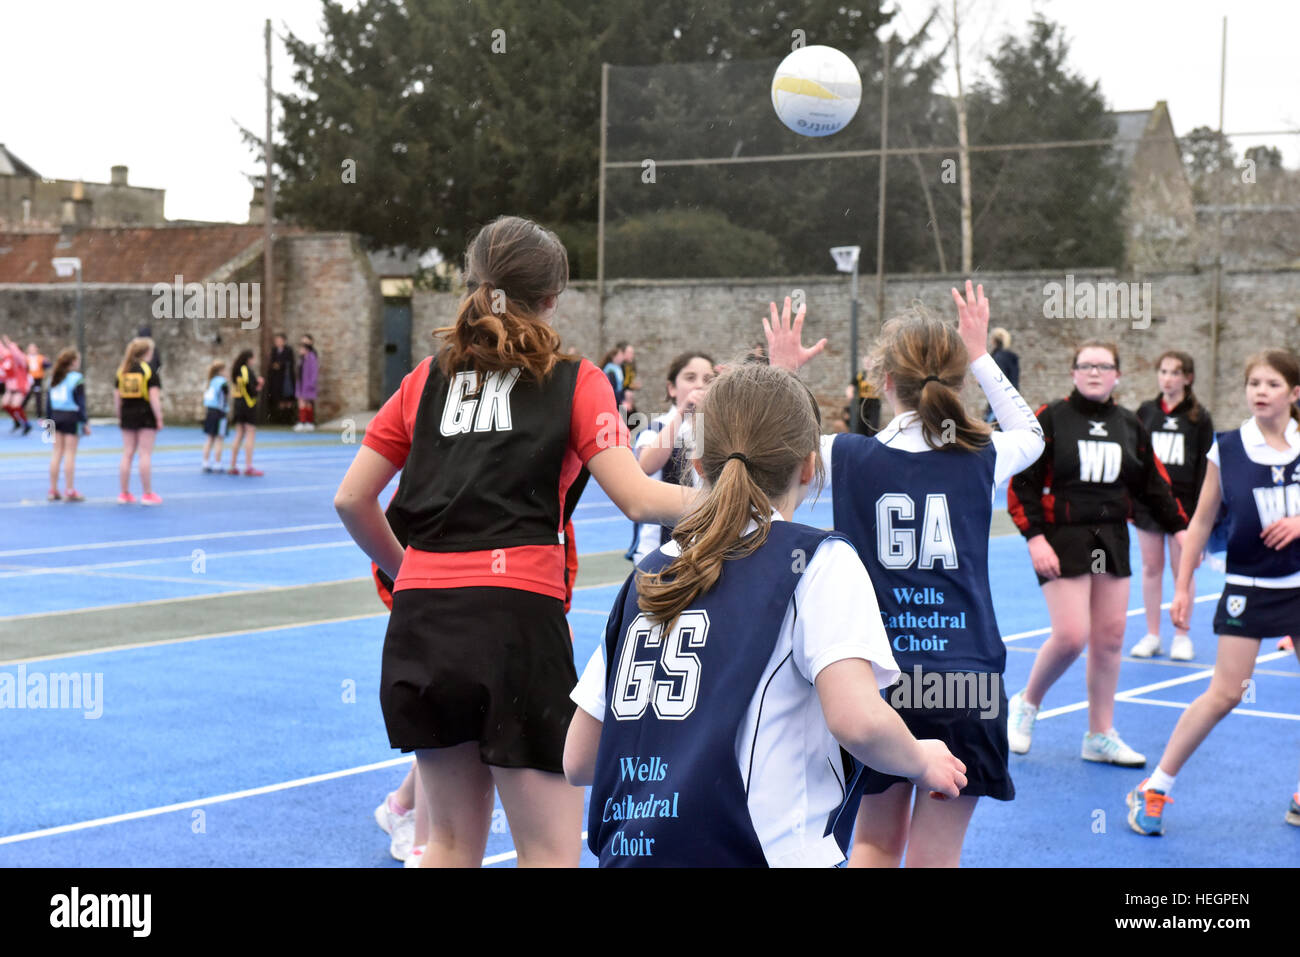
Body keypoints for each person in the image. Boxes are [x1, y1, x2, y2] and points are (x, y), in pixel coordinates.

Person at [333, 215, 694, 868]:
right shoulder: (577, 379)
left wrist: (409, 567)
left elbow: (351, 498)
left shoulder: (425, 379)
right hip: (514, 621)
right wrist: (736, 502)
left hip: (423, 621)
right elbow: (639, 497)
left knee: (445, 843)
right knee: (550, 851)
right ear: (554, 298)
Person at [563, 360, 967, 867]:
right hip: (761, 852)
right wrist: (919, 759)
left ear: (697, 466)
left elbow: (578, 760)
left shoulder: (645, 575)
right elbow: (859, 721)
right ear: (807, 466)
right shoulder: (816, 562)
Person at [767, 283, 1044, 868]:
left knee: (873, 845)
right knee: (935, 857)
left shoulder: (845, 456)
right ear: (959, 380)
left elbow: (776, 447)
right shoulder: (982, 455)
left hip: (878, 679)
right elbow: (1033, 434)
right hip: (965, 679)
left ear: (883, 383)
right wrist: (982, 352)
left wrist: (784, 375)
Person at [1127, 349, 1300, 835]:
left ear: (1294, 393)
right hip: (1249, 586)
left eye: (1271, 384)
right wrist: (1182, 586)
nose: (1260, 392)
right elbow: (1200, 521)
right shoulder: (1228, 447)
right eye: (1253, 384)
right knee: (1226, 693)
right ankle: (1155, 787)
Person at [1005, 340, 1189, 767]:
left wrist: (1181, 531)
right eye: (1085, 365)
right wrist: (1034, 537)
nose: (1093, 372)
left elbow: (1154, 484)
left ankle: (1100, 734)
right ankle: (1026, 703)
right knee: (1071, 635)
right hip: (1063, 537)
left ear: (1117, 376)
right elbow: (1023, 483)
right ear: (1073, 373)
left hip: (1111, 538)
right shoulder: (1051, 418)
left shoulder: (1130, 424)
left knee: (1109, 640)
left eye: (1103, 366)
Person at [1130, 351, 1215, 661]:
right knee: (1151, 568)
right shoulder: (1145, 412)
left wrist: (1201, 514)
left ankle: (1182, 635)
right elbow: (1136, 460)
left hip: (1185, 509)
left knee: (1183, 571)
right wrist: (1132, 501)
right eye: (1163, 371)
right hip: (1149, 507)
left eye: (1174, 372)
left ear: (1187, 378)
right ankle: (1153, 634)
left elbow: (1206, 469)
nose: (1167, 378)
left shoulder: (1199, 417)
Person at [630, 351, 714, 565]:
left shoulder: (716, 432)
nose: (698, 385)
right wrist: (682, 413)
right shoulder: (656, 427)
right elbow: (646, 465)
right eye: (690, 377)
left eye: (707, 380)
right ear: (672, 388)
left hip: (703, 550)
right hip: (658, 553)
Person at [114, 337, 164, 505]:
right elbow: (154, 398)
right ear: (147, 352)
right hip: (145, 414)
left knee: (127, 453)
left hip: (127, 413)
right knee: (145, 453)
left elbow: (117, 398)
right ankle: (147, 494)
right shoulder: (149, 370)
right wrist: (159, 417)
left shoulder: (122, 371)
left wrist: (120, 415)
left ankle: (124, 493)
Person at [46, 348, 90, 502]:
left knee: (56, 453)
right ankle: (69, 490)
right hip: (71, 417)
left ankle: (53, 490)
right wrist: (85, 422)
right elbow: (81, 403)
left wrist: (48, 425)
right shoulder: (77, 378)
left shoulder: (53, 378)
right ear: (72, 362)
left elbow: (48, 405)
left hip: (55, 417)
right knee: (70, 454)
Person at [227, 349, 263, 476]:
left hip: (238, 404)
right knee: (250, 433)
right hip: (247, 404)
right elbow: (249, 388)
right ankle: (248, 466)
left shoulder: (236, 370)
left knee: (239, 434)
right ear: (249, 359)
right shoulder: (245, 370)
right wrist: (258, 386)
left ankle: (232, 465)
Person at [985, 328, 1020, 424]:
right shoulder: (1012, 358)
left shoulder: (998, 358)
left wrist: (981, 382)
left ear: (993, 341)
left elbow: (997, 380)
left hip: (1000, 402)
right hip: (1011, 400)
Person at [201, 360, 229, 473]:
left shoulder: (210, 381)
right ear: (221, 371)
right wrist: (225, 411)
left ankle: (205, 462)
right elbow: (224, 399)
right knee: (219, 439)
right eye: (226, 370)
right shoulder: (223, 383)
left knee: (209, 438)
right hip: (219, 413)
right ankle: (217, 464)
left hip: (210, 412)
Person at [1, 335, 32, 435]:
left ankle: (26, 424)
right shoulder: (9, 359)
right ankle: (18, 421)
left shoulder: (22, 360)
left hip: (20, 387)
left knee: (15, 406)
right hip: (10, 387)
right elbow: (3, 352)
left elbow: (16, 354)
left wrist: (10, 344)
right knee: (5, 405)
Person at [268, 332, 297, 426]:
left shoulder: (288, 350)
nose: (278, 342)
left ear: (284, 341)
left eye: (280, 340)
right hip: (277, 380)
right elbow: (272, 363)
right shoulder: (274, 350)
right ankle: (280, 421)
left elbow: (289, 363)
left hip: (286, 379)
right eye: (277, 341)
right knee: (279, 400)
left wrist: (280, 365)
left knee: (288, 400)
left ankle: (289, 420)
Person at [295, 335, 319, 432]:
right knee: (302, 402)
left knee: (307, 403)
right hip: (301, 385)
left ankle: (306, 422)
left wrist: (311, 383)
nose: (300, 350)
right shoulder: (302, 358)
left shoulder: (311, 357)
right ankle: (304, 422)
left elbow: (314, 371)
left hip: (308, 385)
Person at [24, 343, 50, 421]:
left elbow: (47, 365)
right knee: (25, 397)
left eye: (33, 348)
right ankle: (20, 414)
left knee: (38, 398)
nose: (31, 350)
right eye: (30, 348)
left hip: (37, 380)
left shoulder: (40, 358)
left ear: (36, 349)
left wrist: (46, 362)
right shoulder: (25, 358)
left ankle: (39, 416)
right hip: (28, 381)